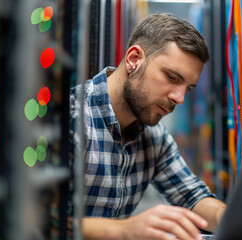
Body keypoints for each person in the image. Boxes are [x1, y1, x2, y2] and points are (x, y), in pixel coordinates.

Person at [70, 13, 226, 240]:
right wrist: (123, 230)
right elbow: (40, 220)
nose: (180, 98)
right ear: (134, 59)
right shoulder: (73, 120)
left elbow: (192, 196)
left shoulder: (155, 137)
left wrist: (227, 217)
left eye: (188, 88)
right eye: (172, 77)